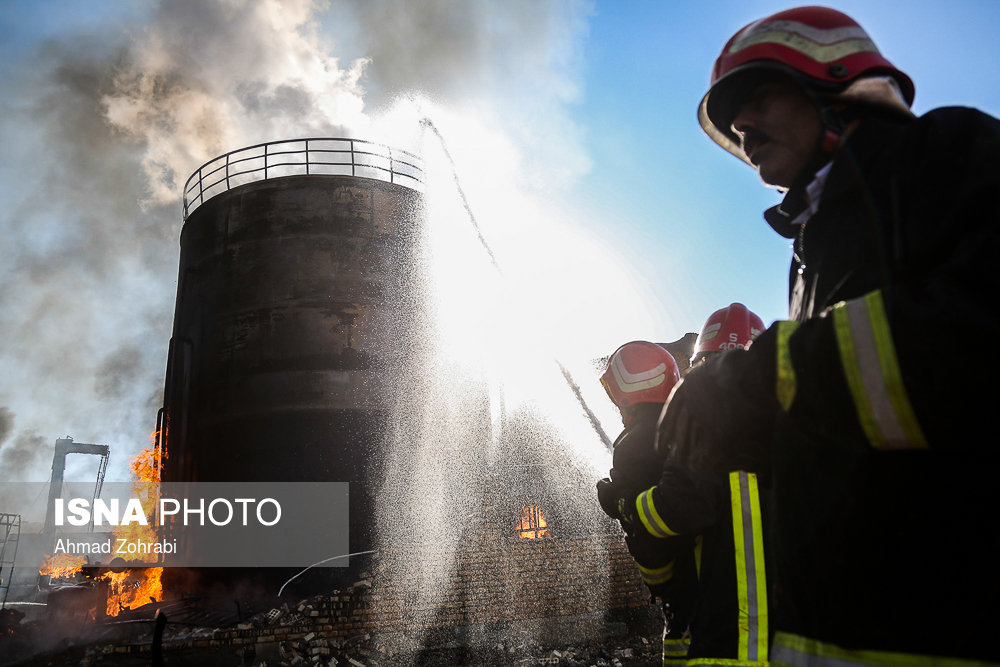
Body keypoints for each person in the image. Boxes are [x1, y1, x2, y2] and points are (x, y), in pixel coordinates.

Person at [657, 6, 1000, 664]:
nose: (742, 125)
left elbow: (974, 342)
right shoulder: (814, 244)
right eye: (731, 120)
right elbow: (859, 419)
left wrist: (762, 380)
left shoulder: (948, 155)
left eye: (756, 95)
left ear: (838, 83)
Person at [615, 306, 771, 665]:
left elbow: (674, 510)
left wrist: (626, 505)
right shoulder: (798, 431)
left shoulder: (702, 428)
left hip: (719, 634)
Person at [596, 340, 696, 665]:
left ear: (631, 394)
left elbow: (649, 541)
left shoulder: (634, 446)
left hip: (684, 591)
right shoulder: (688, 428)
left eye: (619, 402)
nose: (618, 411)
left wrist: (621, 504)